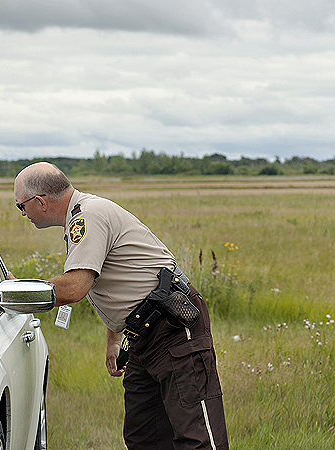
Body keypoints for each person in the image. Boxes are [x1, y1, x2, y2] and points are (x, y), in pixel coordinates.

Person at [14, 162, 229, 450]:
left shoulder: (86, 217)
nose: (23, 213)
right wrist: (114, 339)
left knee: (196, 437)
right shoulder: (81, 216)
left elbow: (77, 286)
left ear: (40, 201)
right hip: (145, 334)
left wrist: (21, 292)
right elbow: (115, 282)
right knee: (144, 436)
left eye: (21, 206)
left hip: (173, 325)